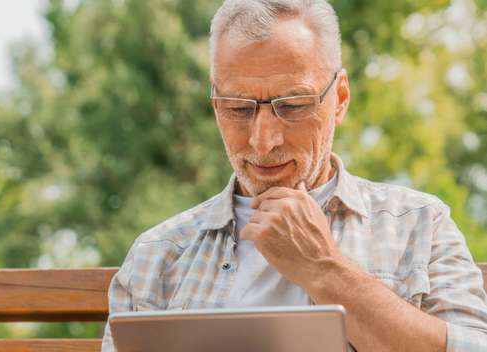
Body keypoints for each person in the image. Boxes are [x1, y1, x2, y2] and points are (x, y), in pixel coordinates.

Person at [101, 0, 487, 351]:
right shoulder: (159, 254)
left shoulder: (419, 225)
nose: (263, 141)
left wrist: (323, 268)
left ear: (339, 99)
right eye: (237, 108)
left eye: (293, 105)